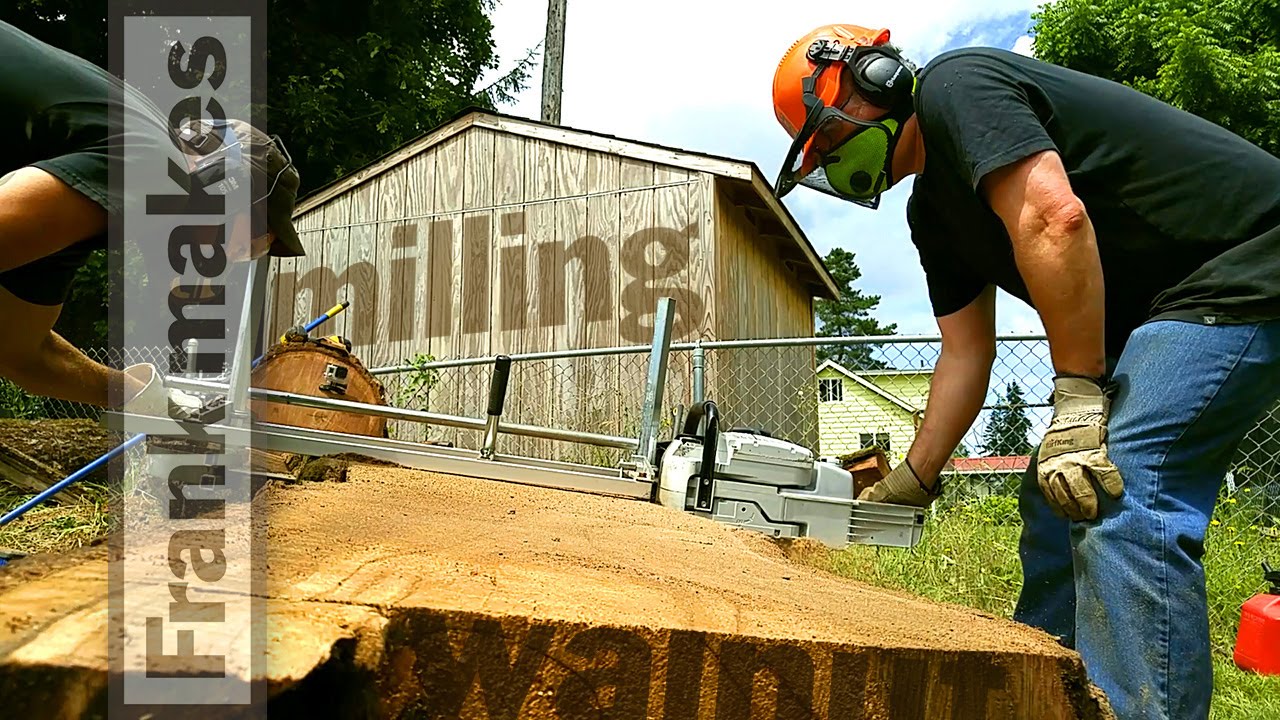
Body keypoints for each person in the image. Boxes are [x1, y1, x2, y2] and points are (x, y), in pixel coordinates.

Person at [771, 23, 1280, 720]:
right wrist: (911, 482)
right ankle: (1046, 697)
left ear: (876, 81)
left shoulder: (959, 85)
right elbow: (965, 353)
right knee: (1056, 490)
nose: (831, 154)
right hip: (1180, 303)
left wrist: (1077, 394)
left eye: (826, 134)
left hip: (1249, 260)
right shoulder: (935, 217)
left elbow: (1055, 218)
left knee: (1120, 482)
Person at [0, 19, 303, 417]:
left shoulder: (88, 203)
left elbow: (20, 351)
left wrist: (146, 398)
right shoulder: (155, 166)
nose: (223, 261)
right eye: (243, 242)